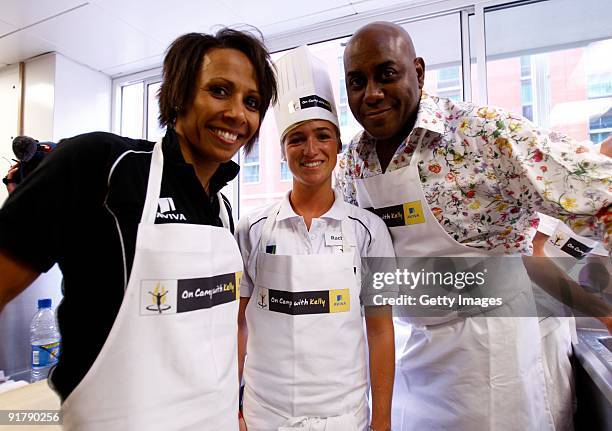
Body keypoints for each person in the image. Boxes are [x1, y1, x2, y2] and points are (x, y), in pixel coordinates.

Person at [336, 21, 611, 431]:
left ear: (420, 72)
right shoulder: (351, 163)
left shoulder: (482, 133)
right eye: (357, 81)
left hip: (493, 348)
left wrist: (605, 304)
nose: (371, 93)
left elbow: (599, 195)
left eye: (386, 75)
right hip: (415, 344)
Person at [0, 28, 277, 431]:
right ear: (179, 94)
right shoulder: (103, 166)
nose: (237, 113)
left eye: (252, 102)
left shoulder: (223, 210)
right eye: (219, 91)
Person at [236, 46, 395, 431]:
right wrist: (232, 406)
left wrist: (383, 420)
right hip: (264, 414)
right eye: (297, 138)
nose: (311, 150)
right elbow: (236, 323)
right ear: (283, 150)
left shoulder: (369, 231)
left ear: (337, 146)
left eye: (322, 136)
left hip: (344, 416)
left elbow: (380, 329)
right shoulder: (252, 229)